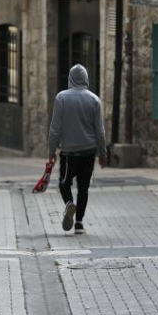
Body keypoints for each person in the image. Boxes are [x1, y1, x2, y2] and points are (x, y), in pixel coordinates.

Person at [48, 64, 107, 235]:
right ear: (86, 79)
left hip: (68, 153)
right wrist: (103, 153)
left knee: (64, 183)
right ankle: (79, 223)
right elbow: (100, 131)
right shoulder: (94, 100)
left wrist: (52, 150)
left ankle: (68, 204)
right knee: (83, 188)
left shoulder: (62, 98)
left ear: (70, 78)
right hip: (88, 152)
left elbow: (55, 128)